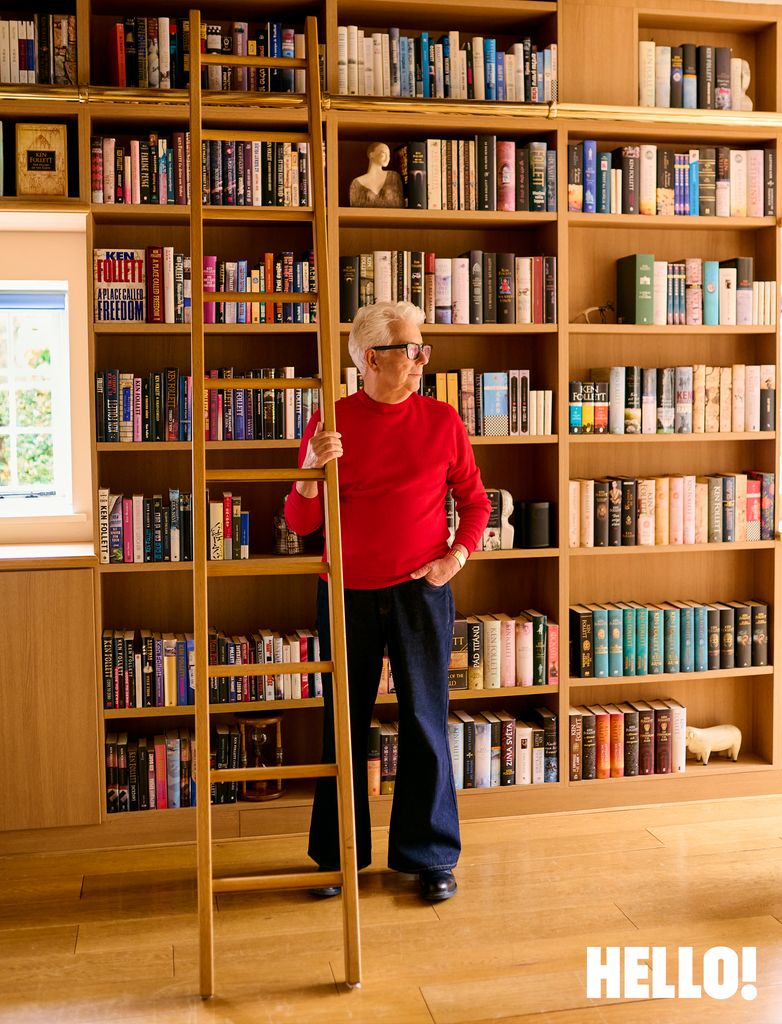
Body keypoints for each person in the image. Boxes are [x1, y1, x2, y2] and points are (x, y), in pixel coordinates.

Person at [285, 300, 491, 902]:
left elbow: (476, 504)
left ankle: (429, 856)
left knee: (426, 721)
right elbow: (302, 522)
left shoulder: (443, 421)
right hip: (345, 592)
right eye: (412, 349)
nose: (423, 359)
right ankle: (337, 856)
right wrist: (306, 471)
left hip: (420, 593)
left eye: (423, 347)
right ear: (371, 357)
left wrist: (455, 558)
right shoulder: (332, 421)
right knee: (341, 727)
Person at [348, 142, 404, 208]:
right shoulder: (356, 183)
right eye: (383, 153)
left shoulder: (393, 177)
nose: (387, 158)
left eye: (389, 155)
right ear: (371, 155)